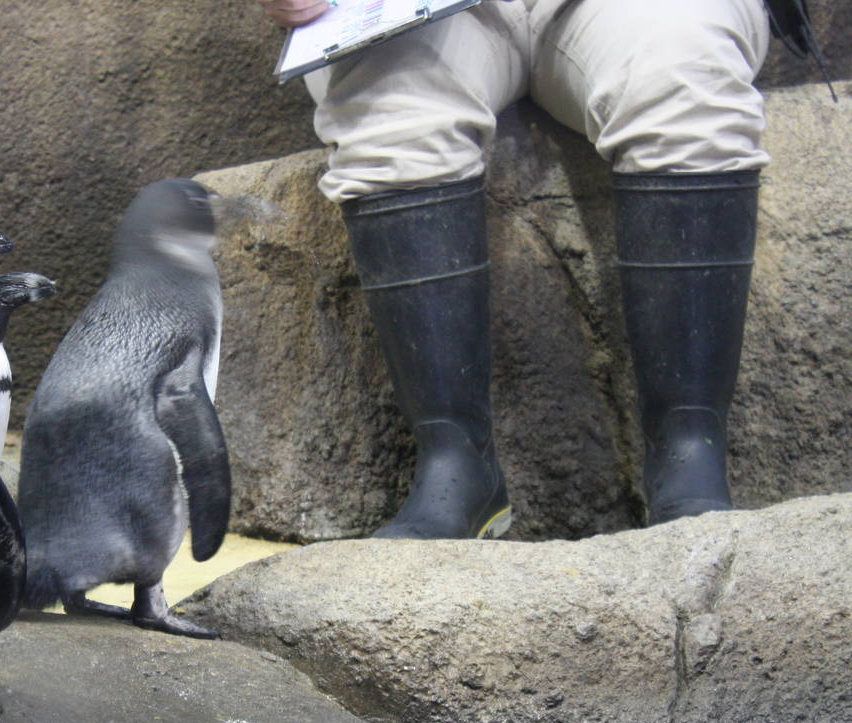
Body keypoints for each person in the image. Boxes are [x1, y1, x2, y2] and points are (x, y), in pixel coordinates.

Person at [257, 0, 777, 537]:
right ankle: (456, 466)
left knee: (684, 76)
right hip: (415, 12)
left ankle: (689, 456)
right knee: (390, 109)